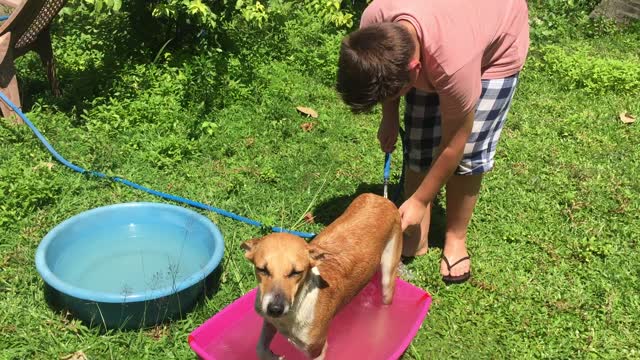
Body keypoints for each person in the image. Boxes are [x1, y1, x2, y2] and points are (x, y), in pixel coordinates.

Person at [336, 0, 530, 283]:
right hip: (446, 30)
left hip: (494, 46)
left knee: (468, 156)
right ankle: (416, 236)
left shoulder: (454, 66)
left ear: (415, 72)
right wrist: (388, 117)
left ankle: (455, 238)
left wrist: (420, 199)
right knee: (419, 141)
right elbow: (386, 82)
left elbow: (455, 143)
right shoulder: (375, 19)